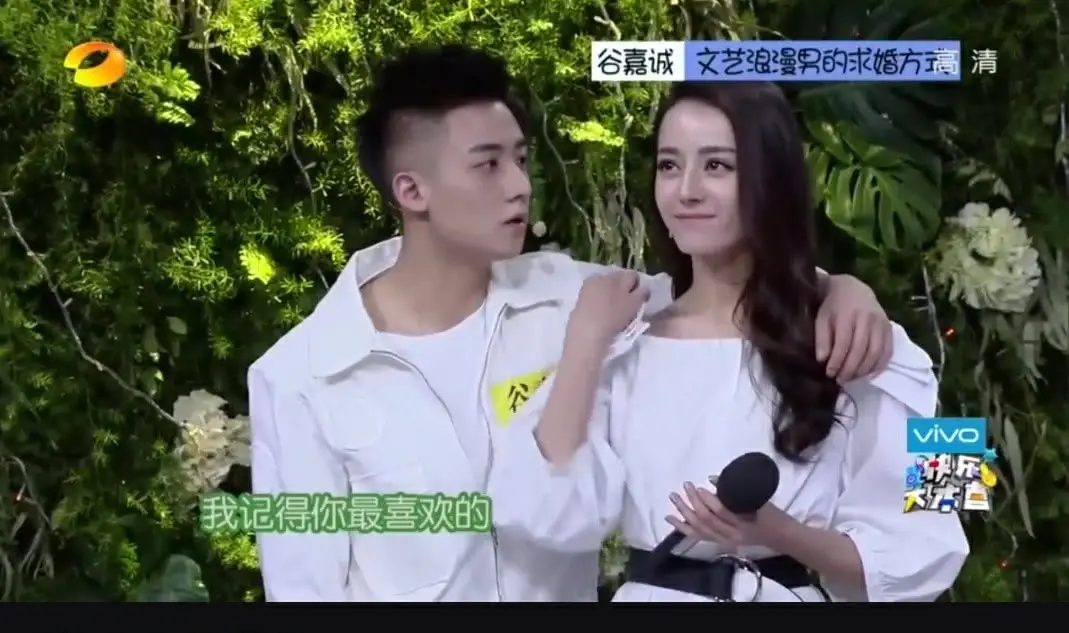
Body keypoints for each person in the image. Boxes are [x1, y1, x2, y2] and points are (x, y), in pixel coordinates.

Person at [247, 46, 896, 602]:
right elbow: (301, 586)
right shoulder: (299, 377)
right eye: (488, 164)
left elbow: (723, 293)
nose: (519, 185)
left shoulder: (577, 298)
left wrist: (841, 289)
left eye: (520, 159)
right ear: (411, 190)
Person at [502, 82, 969, 602]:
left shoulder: (879, 343)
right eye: (669, 165)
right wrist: (586, 339)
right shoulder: (622, 333)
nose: (687, 190)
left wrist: (781, 532)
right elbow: (537, 512)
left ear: (773, 179)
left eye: (717, 166)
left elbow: (942, 541)